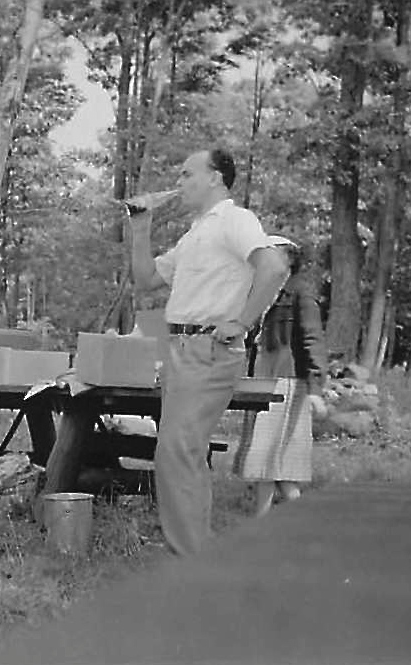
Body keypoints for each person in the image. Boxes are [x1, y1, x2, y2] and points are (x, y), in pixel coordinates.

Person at [128, 148, 289, 556]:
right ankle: (194, 556)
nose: (179, 183)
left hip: (209, 349)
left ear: (215, 178)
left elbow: (273, 268)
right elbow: (146, 279)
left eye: (187, 174)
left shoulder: (234, 220)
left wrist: (243, 322)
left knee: (177, 451)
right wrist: (141, 226)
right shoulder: (196, 233)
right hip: (180, 348)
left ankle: (192, 563)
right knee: (181, 452)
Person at [233, 236, 329, 516]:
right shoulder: (266, 292)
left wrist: (315, 388)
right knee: (268, 462)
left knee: (279, 463)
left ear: (286, 258)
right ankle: (267, 523)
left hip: (288, 382)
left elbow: (312, 338)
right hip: (266, 378)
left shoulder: (300, 292)